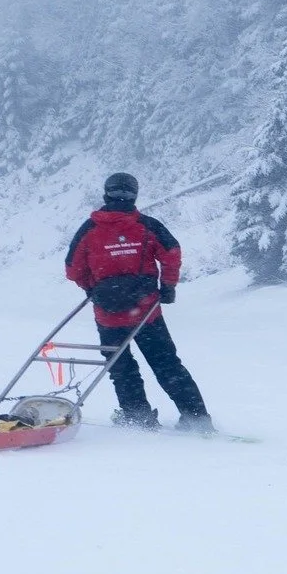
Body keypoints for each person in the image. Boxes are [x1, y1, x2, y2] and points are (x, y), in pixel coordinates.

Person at [64, 172, 214, 432]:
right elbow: (171, 252)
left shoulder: (89, 230)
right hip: (146, 313)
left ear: (106, 194)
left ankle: (138, 417)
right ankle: (196, 418)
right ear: (134, 195)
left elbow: (72, 269)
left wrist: (94, 288)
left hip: (108, 316)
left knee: (122, 369)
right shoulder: (147, 226)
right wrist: (167, 286)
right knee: (167, 364)